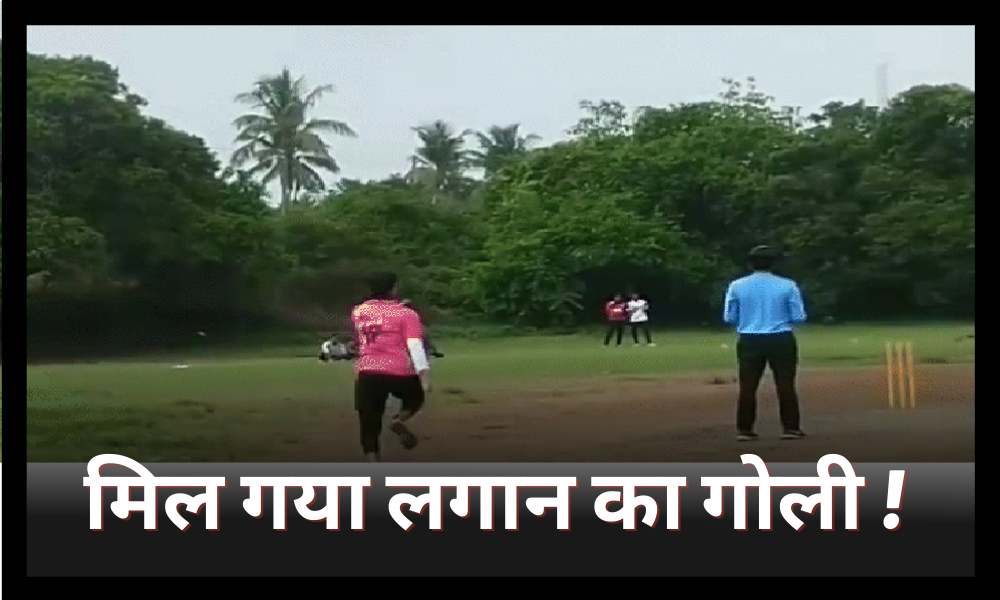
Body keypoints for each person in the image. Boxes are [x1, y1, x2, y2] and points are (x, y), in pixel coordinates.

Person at [723, 246, 807, 442]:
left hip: (749, 338)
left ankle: (744, 429)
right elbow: (798, 316)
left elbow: (729, 317)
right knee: (785, 384)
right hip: (781, 337)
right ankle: (790, 427)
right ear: (774, 263)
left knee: (748, 385)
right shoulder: (788, 285)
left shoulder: (736, 285)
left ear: (750, 263)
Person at [349, 272, 431, 462]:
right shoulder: (407, 314)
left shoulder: (359, 312)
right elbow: (415, 346)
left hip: (368, 370)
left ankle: (373, 465)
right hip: (398, 370)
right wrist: (423, 375)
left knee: (369, 422)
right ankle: (399, 420)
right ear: (394, 288)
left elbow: (359, 341)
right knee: (415, 397)